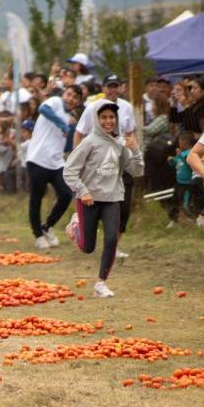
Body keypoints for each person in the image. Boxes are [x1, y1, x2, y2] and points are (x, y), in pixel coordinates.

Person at [63, 101, 143, 298]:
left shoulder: (120, 144)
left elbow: (135, 171)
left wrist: (136, 151)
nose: (108, 121)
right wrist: (83, 191)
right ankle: (76, 226)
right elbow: (69, 171)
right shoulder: (89, 142)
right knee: (88, 248)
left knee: (111, 238)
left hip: (113, 197)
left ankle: (101, 283)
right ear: (96, 120)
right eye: (104, 117)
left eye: (111, 117)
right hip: (89, 200)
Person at [74, 75, 136, 258]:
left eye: (115, 86)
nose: (112, 90)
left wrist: (134, 156)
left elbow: (130, 133)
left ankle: (114, 245)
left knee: (123, 207)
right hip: (97, 164)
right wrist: (80, 160)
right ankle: (80, 225)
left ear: (121, 88)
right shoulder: (92, 108)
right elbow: (79, 133)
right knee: (96, 206)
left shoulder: (126, 107)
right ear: (103, 88)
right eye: (109, 86)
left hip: (120, 161)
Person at [26, 85, 82, 249]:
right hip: (38, 158)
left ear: (78, 102)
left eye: (75, 98)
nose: (70, 99)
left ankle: (47, 226)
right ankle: (38, 236)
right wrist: (62, 124)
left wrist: (70, 128)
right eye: (69, 94)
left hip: (56, 162)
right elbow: (43, 109)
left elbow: (67, 145)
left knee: (65, 194)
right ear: (64, 94)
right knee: (36, 198)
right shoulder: (55, 101)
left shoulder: (71, 117)